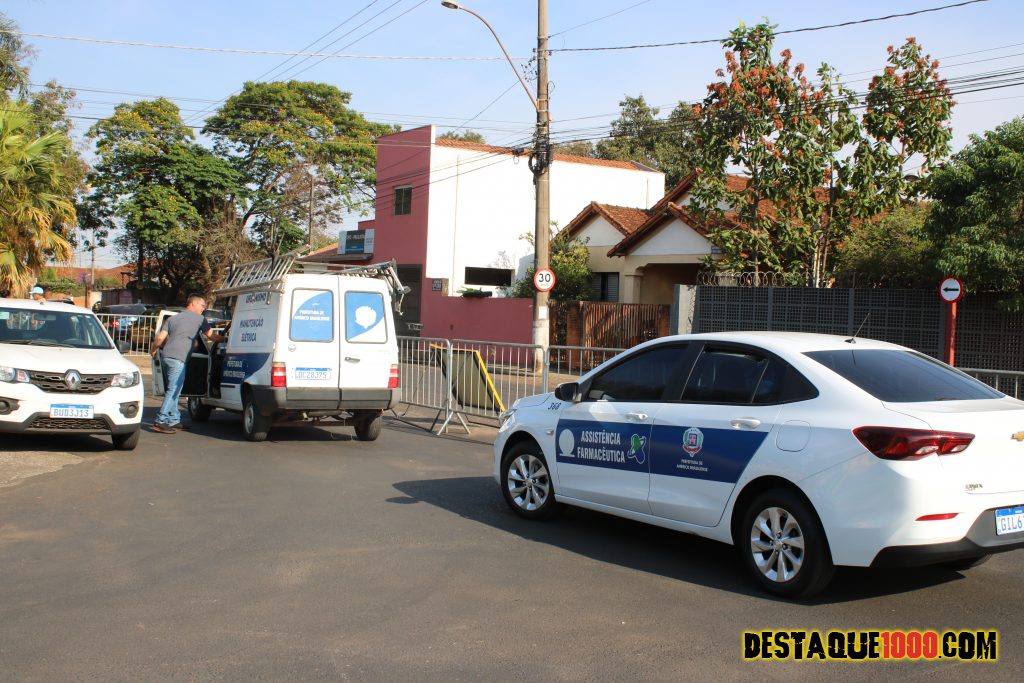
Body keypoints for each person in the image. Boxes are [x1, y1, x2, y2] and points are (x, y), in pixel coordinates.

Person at [149, 294, 225, 434]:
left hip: (167, 356)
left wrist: (153, 350)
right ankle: (160, 421)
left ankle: (174, 420)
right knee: (174, 390)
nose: (204, 308)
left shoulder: (172, 318)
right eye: (202, 305)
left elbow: (160, 338)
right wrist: (226, 338)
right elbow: (212, 336)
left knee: (174, 389)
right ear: (193, 304)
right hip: (178, 358)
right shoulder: (200, 319)